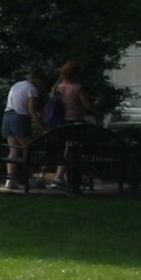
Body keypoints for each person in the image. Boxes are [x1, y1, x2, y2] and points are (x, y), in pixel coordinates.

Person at [45, 61, 92, 192]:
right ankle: (59, 178)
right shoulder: (78, 88)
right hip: (75, 121)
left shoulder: (57, 88)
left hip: (60, 122)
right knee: (74, 152)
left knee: (64, 150)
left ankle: (65, 178)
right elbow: (88, 106)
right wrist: (98, 102)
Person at [2, 62, 41, 193]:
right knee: (27, 150)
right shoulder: (32, 90)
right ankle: (28, 179)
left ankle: (11, 179)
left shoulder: (17, 84)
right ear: (38, 80)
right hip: (20, 118)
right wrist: (43, 126)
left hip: (7, 116)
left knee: (13, 151)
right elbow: (32, 111)